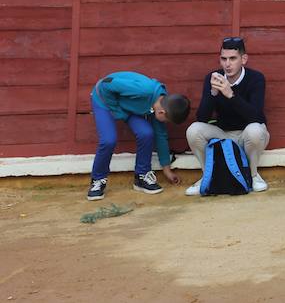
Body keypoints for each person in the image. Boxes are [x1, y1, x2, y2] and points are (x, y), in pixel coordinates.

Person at [185, 36, 270, 195]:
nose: (227, 64)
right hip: (223, 134)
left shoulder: (256, 78)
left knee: (255, 130)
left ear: (243, 59)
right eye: (224, 59)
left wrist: (230, 95)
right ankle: (207, 175)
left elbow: (256, 117)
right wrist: (213, 93)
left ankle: (252, 175)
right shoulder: (213, 77)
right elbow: (202, 118)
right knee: (193, 130)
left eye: (233, 58)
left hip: (247, 134)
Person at [86, 72, 190, 201]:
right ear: (162, 112)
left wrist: (167, 170)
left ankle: (141, 176)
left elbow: (161, 136)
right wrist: (118, 111)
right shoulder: (144, 91)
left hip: (127, 107)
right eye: (166, 121)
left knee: (146, 133)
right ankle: (98, 180)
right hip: (104, 100)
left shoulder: (161, 103)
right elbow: (106, 83)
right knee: (108, 140)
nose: (165, 123)